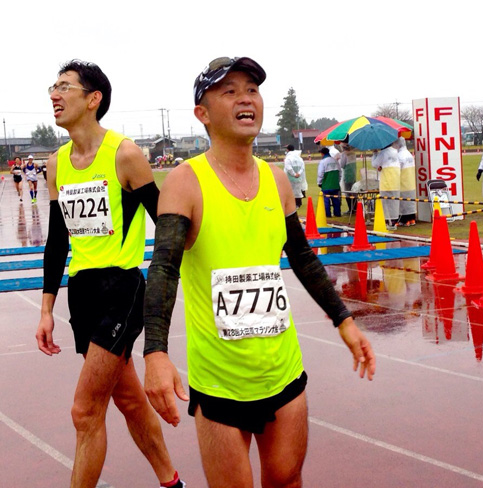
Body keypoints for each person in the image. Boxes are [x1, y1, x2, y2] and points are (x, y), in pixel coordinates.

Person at [142, 55, 375, 488]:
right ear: (203, 114)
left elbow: (303, 258)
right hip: (219, 383)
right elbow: (163, 270)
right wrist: (155, 351)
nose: (245, 99)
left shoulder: (277, 181)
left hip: (283, 373)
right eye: (228, 92)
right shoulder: (185, 182)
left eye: (251, 89)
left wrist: (344, 320)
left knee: (287, 480)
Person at [34, 59, 185, 488]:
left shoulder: (124, 154)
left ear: (93, 99)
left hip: (122, 288)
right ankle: (172, 482)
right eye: (53, 86)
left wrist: (166, 292)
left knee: (84, 411)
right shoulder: (56, 163)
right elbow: (57, 242)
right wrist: (46, 311)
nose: (54, 95)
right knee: (130, 400)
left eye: (65, 87)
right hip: (82, 293)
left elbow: (166, 223)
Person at [371, 143, 400, 229]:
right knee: (394, 202)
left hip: (386, 182)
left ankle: (388, 222)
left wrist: (375, 153)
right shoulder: (395, 152)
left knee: (386, 203)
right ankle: (394, 221)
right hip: (396, 181)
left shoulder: (383, 153)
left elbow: (374, 164)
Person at [393, 137, 416, 226]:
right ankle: (412, 219)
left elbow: (397, 169)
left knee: (403, 202)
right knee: (410, 202)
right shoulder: (409, 154)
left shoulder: (400, 156)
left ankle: (404, 220)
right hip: (411, 181)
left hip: (403, 181)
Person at [317, 146, 342, 217]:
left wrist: (319, 182)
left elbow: (320, 174)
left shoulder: (323, 162)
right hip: (335, 184)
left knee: (326, 201)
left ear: (322, 154)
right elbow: (340, 172)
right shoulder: (335, 161)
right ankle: (337, 213)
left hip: (326, 185)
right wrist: (338, 181)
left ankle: (327, 214)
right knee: (336, 200)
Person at [283, 144, 305, 208]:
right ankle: (299, 203)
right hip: (298, 177)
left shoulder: (288, 158)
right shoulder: (299, 158)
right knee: (298, 190)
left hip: (290, 177)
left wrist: (294, 174)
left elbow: (288, 168)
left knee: (290, 191)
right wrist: (299, 173)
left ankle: (293, 204)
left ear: (287, 150)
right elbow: (302, 167)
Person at [339, 143, 358, 213]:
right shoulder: (353, 153)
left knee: (347, 192)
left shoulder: (344, 154)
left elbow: (342, 165)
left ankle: (351, 209)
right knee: (353, 191)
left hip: (347, 174)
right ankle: (355, 207)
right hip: (353, 174)